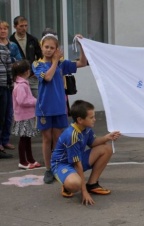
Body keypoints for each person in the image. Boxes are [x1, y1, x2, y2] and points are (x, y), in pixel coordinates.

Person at [32, 33, 88, 184]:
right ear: (41, 47)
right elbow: (48, 77)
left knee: (57, 139)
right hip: (44, 108)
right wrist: (56, 61)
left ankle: (57, 166)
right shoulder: (38, 64)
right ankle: (48, 168)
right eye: (46, 47)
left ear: (57, 49)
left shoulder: (62, 64)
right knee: (47, 139)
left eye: (52, 48)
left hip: (59, 107)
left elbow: (82, 63)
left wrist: (82, 44)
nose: (49, 50)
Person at [51, 100, 121, 205]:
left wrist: (107, 137)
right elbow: (77, 164)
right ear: (80, 120)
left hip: (75, 160)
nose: (95, 119)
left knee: (106, 149)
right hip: (62, 164)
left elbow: (93, 143)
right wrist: (84, 193)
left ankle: (92, 184)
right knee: (75, 184)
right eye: (91, 117)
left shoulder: (86, 127)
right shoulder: (72, 135)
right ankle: (67, 183)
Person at [12, 60, 40, 169]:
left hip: (27, 115)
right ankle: (23, 162)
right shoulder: (21, 86)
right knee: (24, 139)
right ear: (26, 72)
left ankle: (30, 159)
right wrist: (35, 101)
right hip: (23, 117)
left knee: (28, 138)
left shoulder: (23, 83)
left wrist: (34, 100)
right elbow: (22, 101)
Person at [0, 20, 22, 155]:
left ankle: (5, 140)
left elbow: (18, 61)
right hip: (1, 84)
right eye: (0, 29)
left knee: (8, 114)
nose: (2, 31)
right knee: (0, 115)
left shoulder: (12, 46)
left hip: (9, 83)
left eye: (4, 29)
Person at [9, 16, 42, 98]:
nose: (24, 28)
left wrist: (36, 70)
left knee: (36, 100)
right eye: (21, 26)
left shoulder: (32, 39)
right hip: (18, 77)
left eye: (25, 25)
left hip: (32, 75)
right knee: (21, 100)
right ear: (15, 26)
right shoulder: (10, 41)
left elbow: (40, 56)